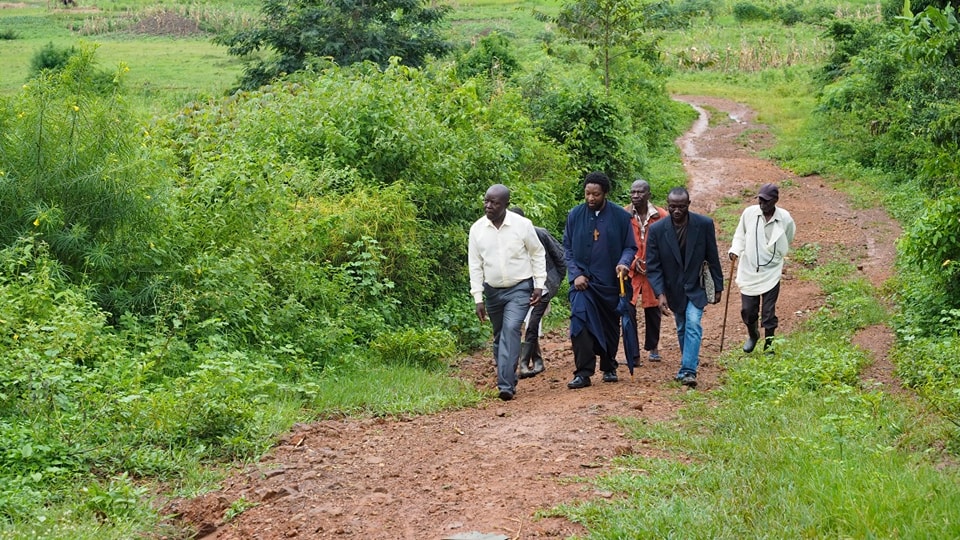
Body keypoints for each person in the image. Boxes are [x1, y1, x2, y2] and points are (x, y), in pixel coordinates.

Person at [469, 184, 547, 401]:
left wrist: (539, 284)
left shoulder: (522, 225)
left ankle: (505, 385)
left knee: (511, 329)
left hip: (520, 287)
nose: (488, 206)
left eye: (494, 202)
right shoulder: (477, 229)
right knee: (499, 336)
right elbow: (474, 264)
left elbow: (537, 253)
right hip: (492, 290)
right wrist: (478, 297)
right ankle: (507, 375)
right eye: (486, 201)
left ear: (506, 205)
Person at [563, 172, 637, 389]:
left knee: (609, 326)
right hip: (582, 284)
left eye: (596, 194)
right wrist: (576, 274)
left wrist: (624, 263)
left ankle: (609, 366)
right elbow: (566, 248)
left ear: (605, 193)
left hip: (610, 283)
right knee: (579, 322)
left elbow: (630, 246)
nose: (590, 198)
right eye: (587, 193)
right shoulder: (574, 215)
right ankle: (583, 372)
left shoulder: (620, 217)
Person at [645, 187, 723, 388]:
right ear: (667, 205)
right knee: (682, 326)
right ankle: (688, 362)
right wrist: (660, 294)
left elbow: (712, 256)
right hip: (673, 288)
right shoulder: (656, 230)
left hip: (696, 285)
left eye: (681, 207)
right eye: (672, 207)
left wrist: (718, 285)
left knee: (693, 322)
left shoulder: (703, 224)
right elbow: (653, 266)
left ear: (688, 205)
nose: (677, 211)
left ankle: (688, 370)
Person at [728, 183, 796, 353]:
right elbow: (740, 235)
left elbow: (788, 238)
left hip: (771, 271)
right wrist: (735, 250)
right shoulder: (749, 214)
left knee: (768, 312)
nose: (762, 204)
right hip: (749, 269)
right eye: (760, 200)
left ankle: (769, 345)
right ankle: (753, 335)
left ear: (775, 201)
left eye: (766, 201)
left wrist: (775, 254)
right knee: (748, 310)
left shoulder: (785, 218)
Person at [508, 207, 566, 379]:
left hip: (543, 286)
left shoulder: (540, 234)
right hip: (521, 287)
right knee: (521, 324)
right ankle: (538, 361)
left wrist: (553, 282)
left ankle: (524, 364)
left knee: (532, 323)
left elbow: (560, 257)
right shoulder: (506, 239)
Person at [623, 178, 668, 366]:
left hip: (653, 269)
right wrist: (633, 262)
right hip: (630, 270)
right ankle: (633, 354)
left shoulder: (661, 215)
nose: (636, 196)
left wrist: (652, 262)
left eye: (640, 192)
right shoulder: (624, 214)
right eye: (633, 192)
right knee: (627, 309)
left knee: (653, 308)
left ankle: (653, 346)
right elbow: (619, 242)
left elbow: (666, 243)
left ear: (649, 194)